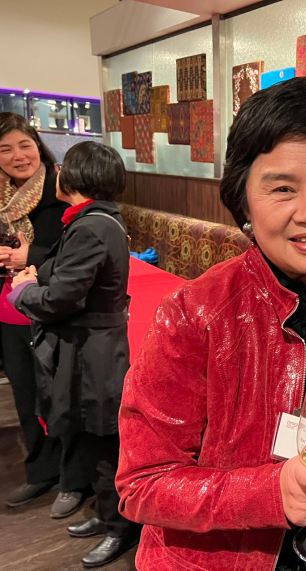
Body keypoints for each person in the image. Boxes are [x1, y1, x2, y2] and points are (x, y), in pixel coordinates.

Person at [115, 76, 306, 570]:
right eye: (282, 189)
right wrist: (271, 492)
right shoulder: (193, 314)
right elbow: (141, 484)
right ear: (244, 204)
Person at [10, 140, 139, 567]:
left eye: (64, 166)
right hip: (88, 346)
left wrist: (24, 290)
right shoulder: (92, 220)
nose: (57, 172)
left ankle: (120, 528)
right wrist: (38, 274)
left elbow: (62, 298)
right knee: (90, 435)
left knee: (103, 439)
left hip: (94, 352)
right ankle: (107, 515)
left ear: (80, 175)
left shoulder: (92, 226)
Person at [0, 112, 66, 511]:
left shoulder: (62, 190)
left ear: (38, 146)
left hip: (51, 309)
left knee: (58, 396)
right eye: (5, 149)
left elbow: (78, 256)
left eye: (25, 145)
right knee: (25, 395)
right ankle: (41, 471)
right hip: (9, 310)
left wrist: (31, 256)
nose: (18, 156)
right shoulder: (1, 199)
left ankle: (73, 477)